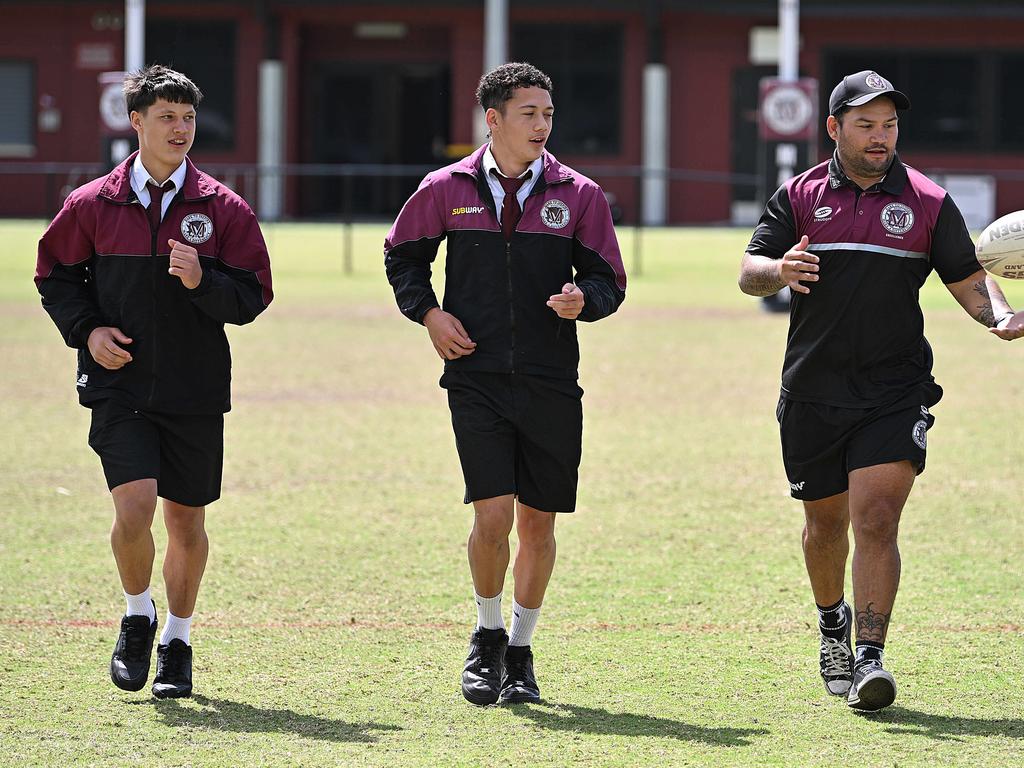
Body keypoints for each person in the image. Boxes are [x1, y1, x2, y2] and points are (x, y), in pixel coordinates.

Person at [739, 70, 1024, 713]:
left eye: (889, 124)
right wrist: (779, 269)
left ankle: (869, 655)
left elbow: (968, 278)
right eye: (866, 125)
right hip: (812, 389)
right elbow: (749, 271)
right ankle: (833, 621)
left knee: (877, 517)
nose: (880, 136)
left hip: (894, 389)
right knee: (825, 524)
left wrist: (999, 316)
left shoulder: (926, 201)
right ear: (834, 128)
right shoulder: (800, 196)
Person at [385, 62, 626, 705]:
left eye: (548, 114)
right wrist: (429, 313)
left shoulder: (579, 194)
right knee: (492, 516)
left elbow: (610, 281)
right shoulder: (446, 187)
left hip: (550, 380)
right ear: (492, 120)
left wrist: (587, 300)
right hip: (476, 378)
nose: (543, 125)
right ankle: (487, 637)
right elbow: (403, 256)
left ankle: (521, 647)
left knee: (538, 523)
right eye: (529, 114)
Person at [35, 65, 273, 699]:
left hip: (195, 389)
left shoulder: (224, 209)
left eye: (188, 117)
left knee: (186, 524)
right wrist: (87, 332)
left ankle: (177, 638)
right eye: (166, 117)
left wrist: (204, 282)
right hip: (121, 387)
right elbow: (54, 276)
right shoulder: (92, 204)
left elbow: (253, 296)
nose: (180, 128)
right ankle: (138, 614)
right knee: (135, 507)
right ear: (134, 122)